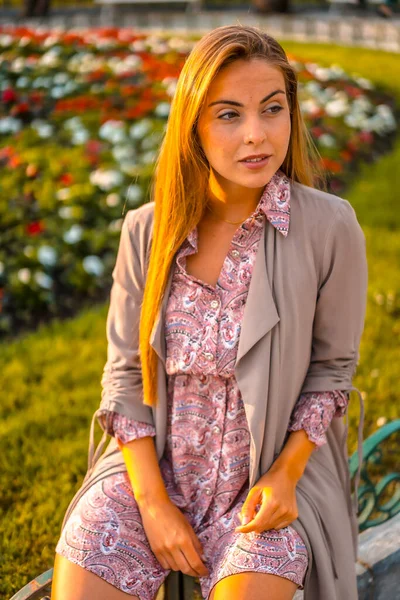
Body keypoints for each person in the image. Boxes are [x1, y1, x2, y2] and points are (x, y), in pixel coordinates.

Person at [51, 25, 368, 600]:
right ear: (192, 127)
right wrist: (151, 503)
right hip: (156, 471)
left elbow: (331, 373)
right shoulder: (147, 231)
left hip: (269, 480)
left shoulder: (330, 226)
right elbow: (125, 377)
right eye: (228, 115)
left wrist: (285, 473)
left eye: (273, 109)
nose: (257, 135)